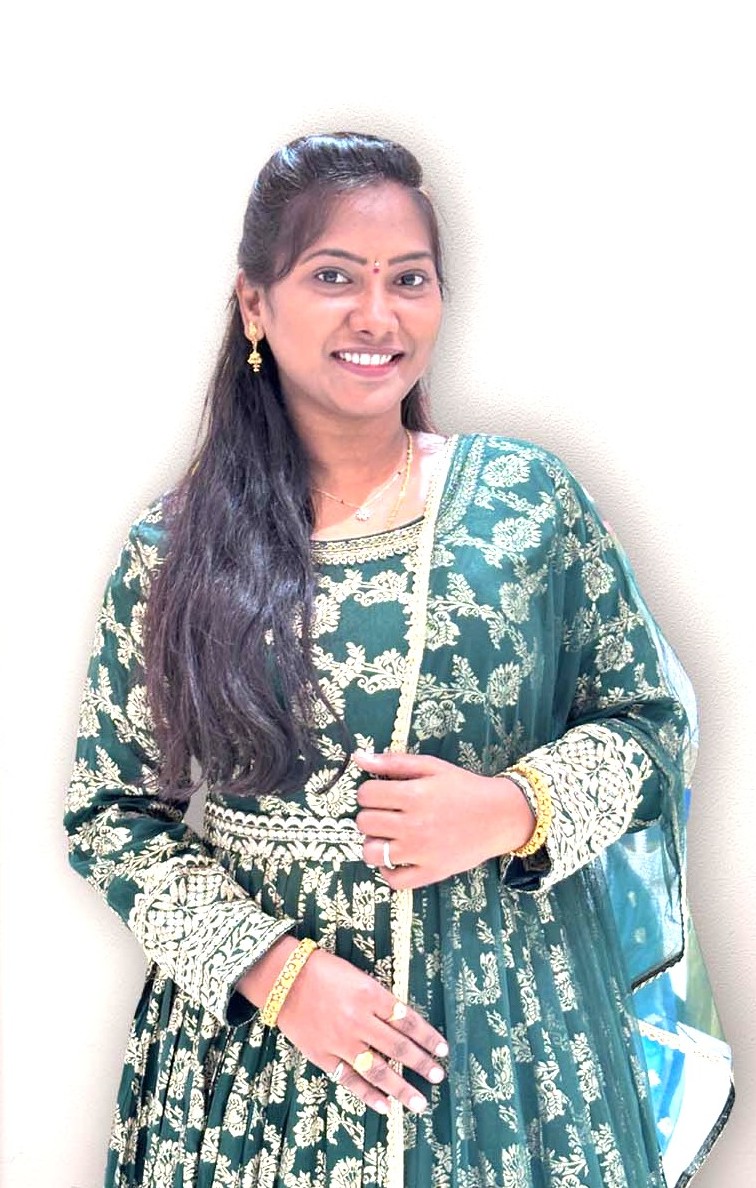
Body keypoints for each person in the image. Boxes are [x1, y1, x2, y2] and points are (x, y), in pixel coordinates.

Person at [65, 131, 733, 1188]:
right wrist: (280, 978)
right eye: (334, 277)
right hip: (264, 1083)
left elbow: (653, 723)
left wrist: (512, 809)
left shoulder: (525, 501)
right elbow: (109, 815)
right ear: (254, 303)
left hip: (517, 1048)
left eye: (408, 280)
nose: (377, 316)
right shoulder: (175, 551)